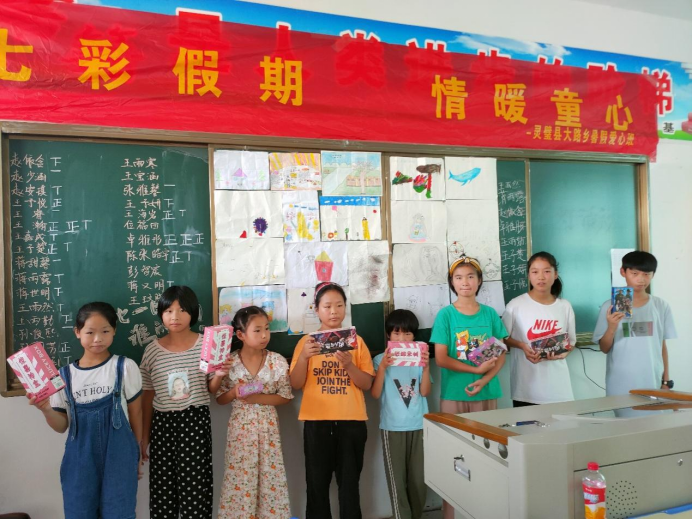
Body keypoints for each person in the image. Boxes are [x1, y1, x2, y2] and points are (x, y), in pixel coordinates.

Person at [29, 302, 141, 519]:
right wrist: (46, 410)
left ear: (114, 331)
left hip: (120, 458)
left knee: (119, 513)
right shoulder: (62, 376)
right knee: (79, 513)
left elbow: (136, 413)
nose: (98, 339)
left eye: (105, 331)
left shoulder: (125, 367)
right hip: (79, 462)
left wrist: (135, 453)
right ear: (77, 332)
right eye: (90, 332)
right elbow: (61, 426)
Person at [430, 256, 508, 519]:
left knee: (488, 456)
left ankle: (485, 511)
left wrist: (484, 379)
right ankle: (451, 514)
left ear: (479, 281)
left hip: (487, 393)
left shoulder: (489, 314)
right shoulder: (446, 315)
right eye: (459, 277)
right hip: (454, 394)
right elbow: (441, 358)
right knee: (453, 455)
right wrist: (475, 371)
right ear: (452, 283)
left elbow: (501, 352)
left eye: (471, 276)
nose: (465, 282)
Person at [289, 282, 375, 519]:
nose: (334, 311)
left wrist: (349, 366)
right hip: (317, 422)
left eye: (339, 305)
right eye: (327, 306)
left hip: (352, 421)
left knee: (350, 484)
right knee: (316, 484)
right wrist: (304, 358)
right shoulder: (307, 343)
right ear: (317, 309)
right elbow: (295, 383)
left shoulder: (356, 342)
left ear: (345, 307)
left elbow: (366, 384)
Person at [211, 306, 293, 519]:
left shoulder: (277, 361)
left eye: (266, 328)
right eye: (257, 330)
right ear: (240, 335)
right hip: (241, 432)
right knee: (241, 479)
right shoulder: (230, 362)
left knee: (270, 478)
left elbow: (285, 396)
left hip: (268, 430)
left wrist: (257, 398)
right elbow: (219, 399)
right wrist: (233, 393)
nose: (264, 335)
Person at [140, 286, 214, 519]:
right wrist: (144, 436)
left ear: (193, 312)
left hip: (195, 422)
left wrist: (221, 374)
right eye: (169, 310)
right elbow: (147, 396)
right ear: (161, 314)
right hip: (162, 424)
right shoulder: (152, 351)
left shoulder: (206, 345)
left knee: (196, 491)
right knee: (163, 492)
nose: (175, 316)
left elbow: (212, 389)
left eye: (182, 310)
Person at [372, 309, 431, 519]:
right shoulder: (380, 360)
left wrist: (426, 368)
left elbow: (425, 392)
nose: (402, 339)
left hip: (419, 425)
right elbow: (375, 393)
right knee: (397, 481)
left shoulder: (419, 359)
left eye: (407, 334)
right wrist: (382, 368)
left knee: (419, 480)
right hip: (392, 427)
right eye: (396, 333)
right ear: (389, 335)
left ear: (414, 336)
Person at [593, 251, 677, 395]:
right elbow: (604, 348)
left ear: (653, 275)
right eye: (635, 273)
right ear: (623, 272)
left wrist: (666, 381)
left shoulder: (660, 306)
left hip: (652, 379)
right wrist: (611, 327)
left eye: (646, 274)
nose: (641, 279)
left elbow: (661, 345)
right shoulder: (610, 307)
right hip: (619, 381)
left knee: (653, 410)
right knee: (622, 410)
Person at [503, 252, 576, 407]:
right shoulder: (515, 305)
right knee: (527, 423)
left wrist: (563, 353)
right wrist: (522, 346)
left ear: (555, 274)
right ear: (529, 275)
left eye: (547, 271)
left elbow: (571, 341)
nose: (541, 277)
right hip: (526, 387)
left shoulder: (564, 306)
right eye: (535, 272)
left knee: (562, 423)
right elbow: (502, 338)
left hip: (558, 387)